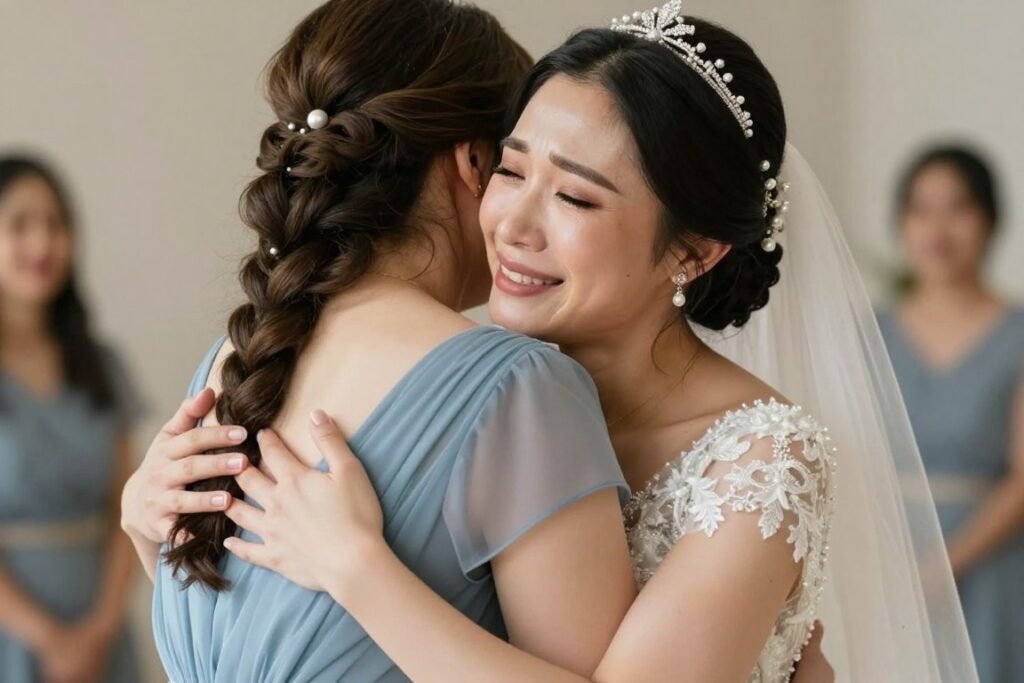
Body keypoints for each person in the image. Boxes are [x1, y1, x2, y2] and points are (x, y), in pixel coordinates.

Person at [215, 5, 977, 682]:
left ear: (692, 251)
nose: (513, 224)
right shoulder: (486, 399)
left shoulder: (763, 460)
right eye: (511, 169)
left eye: (575, 197)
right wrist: (166, 525)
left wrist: (358, 568)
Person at [121, 1, 640, 681]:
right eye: (514, 168)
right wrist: (361, 571)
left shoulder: (236, 359)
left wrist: (140, 528)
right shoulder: (518, 387)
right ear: (473, 160)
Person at [879, 144, 1024, 683]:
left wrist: (942, 566)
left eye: (958, 208)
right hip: (888, 559)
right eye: (921, 210)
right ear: (902, 224)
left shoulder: (1016, 335)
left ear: (990, 220)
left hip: (992, 566)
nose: (938, 229)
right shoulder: (868, 336)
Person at [0, 156, 142, 682]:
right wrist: (49, 640)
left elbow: (126, 506)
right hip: (13, 637)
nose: (42, 243)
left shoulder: (101, 365)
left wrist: (100, 629)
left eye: (55, 224)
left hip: (101, 635)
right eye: (20, 224)